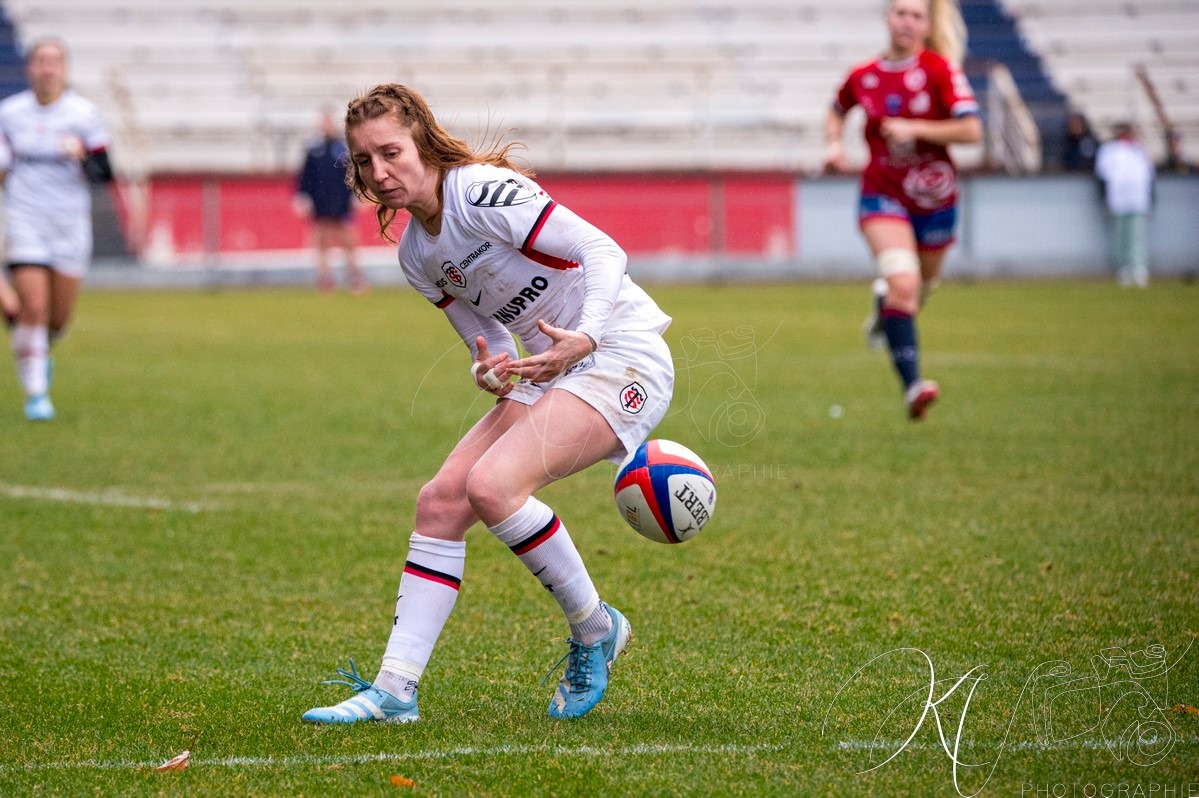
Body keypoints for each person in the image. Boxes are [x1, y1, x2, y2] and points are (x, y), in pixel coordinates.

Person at [302, 84, 674, 724]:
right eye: (364, 162)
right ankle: (395, 691)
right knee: (440, 501)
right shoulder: (418, 254)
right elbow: (493, 339)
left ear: (421, 138)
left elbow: (601, 250)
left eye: (391, 152)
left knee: (493, 487)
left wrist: (582, 333)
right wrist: (490, 368)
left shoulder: (480, 192)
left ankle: (595, 630)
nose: (380, 172)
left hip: (618, 352)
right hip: (546, 370)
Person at [823, 0, 981, 420]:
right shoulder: (864, 75)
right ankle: (913, 386)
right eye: (900, 13)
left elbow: (971, 129)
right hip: (882, 194)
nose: (906, 22)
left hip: (935, 198)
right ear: (887, 18)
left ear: (928, 25)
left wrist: (917, 128)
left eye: (916, 15)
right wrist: (834, 145)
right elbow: (836, 109)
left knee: (919, 290)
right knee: (905, 284)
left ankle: (885, 307)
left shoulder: (939, 70)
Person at [0, 37, 112, 421]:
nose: (47, 68)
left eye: (54, 62)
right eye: (40, 61)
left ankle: (38, 351)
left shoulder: (84, 115)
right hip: (24, 218)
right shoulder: (9, 114)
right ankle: (36, 395)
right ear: (29, 68)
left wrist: (82, 157)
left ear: (64, 70)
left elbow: (104, 173)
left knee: (58, 319)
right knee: (34, 305)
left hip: (68, 224)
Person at [294, 110, 368, 295]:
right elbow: (305, 176)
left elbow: (354, 173)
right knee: (322, 241)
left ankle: (355, 278)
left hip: (341, 201)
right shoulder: (313, 150)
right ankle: (325, 279)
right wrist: (302, 196)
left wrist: (356, 195)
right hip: (321, 202)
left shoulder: (344, 149)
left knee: (349, 240)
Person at [1094, 122, 1154, 287]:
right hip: (1118, 201)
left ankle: (1139, 268)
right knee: (1120, 237)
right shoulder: (1109, 151)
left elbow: (1149, 177)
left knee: (1137, 236)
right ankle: (1123, 268)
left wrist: (1151, 200)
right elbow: (1102, 176)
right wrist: (1104, 198)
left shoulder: (1139, 150)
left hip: (1138, 200)